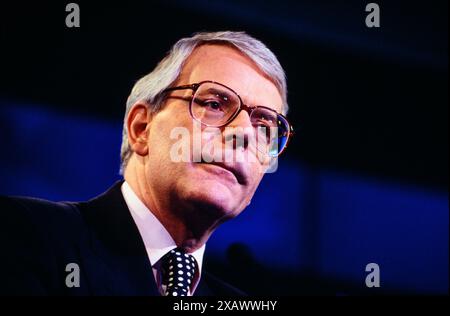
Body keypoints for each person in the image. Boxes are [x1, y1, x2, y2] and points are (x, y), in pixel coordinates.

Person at [0, 31, 293, 296]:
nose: (243, 134)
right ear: (141, 128)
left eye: (264, 126)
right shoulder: (25, 235)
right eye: (214, 104)